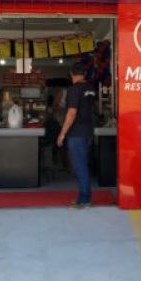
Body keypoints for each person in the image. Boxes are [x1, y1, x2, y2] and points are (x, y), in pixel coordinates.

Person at [57, 63, 97, 208]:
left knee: (80, 166)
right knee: (83, 165)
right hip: (87, 132)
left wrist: (62, 134)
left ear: (71, 74)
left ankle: (84, 199)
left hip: (76, 133)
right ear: (84, 74)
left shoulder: (74, 89)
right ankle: (85, 197)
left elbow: (72, 113)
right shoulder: (91, 88)